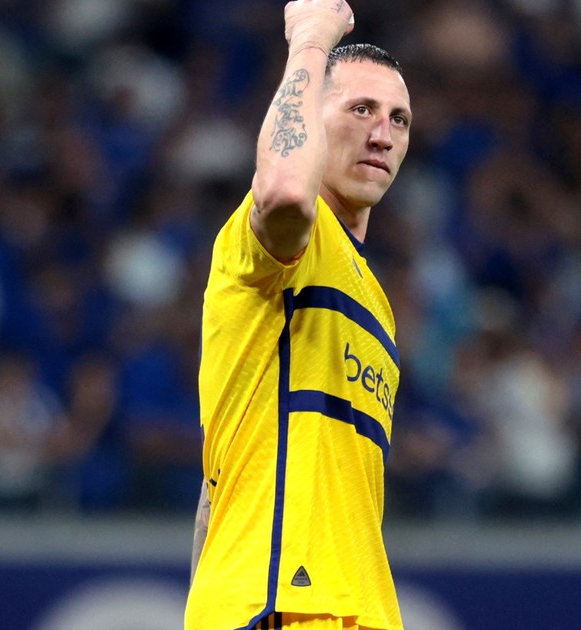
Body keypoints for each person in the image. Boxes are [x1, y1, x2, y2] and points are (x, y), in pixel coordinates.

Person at [184, 1, 412, 628]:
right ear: (313, 116)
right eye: (360, 109)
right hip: (280, 605)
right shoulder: (283, 243)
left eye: (398, 119)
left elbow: (218, 481)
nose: (383, 134)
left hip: (358, 609)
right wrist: (311, 41)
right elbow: (286, 192)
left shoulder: (375, 300)